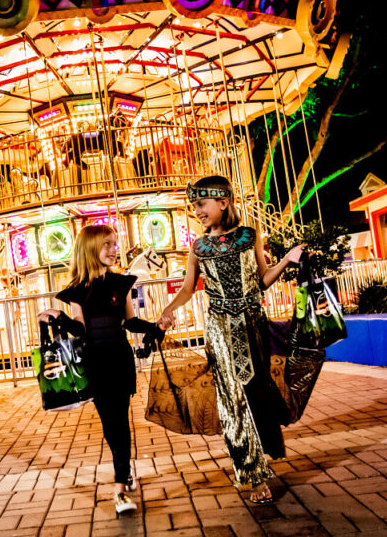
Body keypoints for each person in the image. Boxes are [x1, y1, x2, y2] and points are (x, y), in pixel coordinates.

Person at [157, 175, 304, 504]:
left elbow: (264, 280)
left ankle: (262, 453)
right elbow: (186, 288)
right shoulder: (198, 247)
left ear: (223, 202)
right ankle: (249, 475)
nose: (197, 211)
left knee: (256, 392)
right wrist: (168, 309)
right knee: (231, 400)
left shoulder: (250, 236)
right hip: (220, 328)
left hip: (253, 324)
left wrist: (286, 260)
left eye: (202, 204)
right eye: (193, 206)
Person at [38, 224, 161, 516]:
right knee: (111, 427)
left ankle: (119, 489)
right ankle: (125, 469)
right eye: (107, 244)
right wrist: (59, 317)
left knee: (120, 423)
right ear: (90, 249)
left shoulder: (121, 283)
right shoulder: (78, 291)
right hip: (94, 364)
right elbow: (80, 328)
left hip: (120, 361)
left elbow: (130, 321)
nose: (113, 249)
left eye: (115, 243)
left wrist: (155, 326)